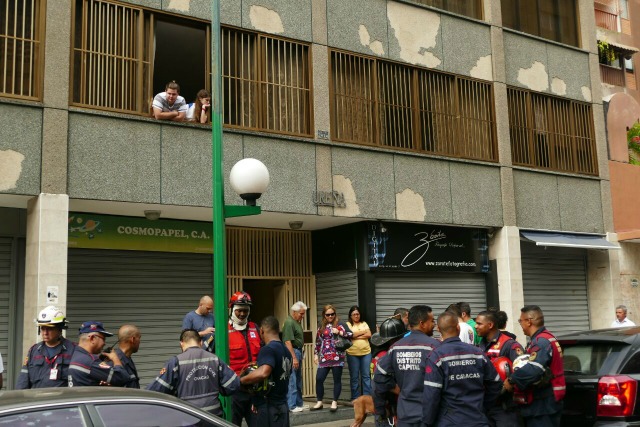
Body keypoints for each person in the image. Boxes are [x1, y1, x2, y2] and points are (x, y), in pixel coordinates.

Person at [422, 311, 502, 426]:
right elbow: (495, 383)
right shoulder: (478, 353)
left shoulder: (436, 357)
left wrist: (426, 423)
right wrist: (482, 406)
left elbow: (431, 395)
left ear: (438, 329)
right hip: (477, 420)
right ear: (458, 327)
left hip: (449, 422)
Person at [147, 328, 239, 416]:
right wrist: (218, 388)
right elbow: (233, 384)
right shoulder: (215, 359)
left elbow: (155, 390)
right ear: (201, 343)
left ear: (181, 343)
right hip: (213, 417)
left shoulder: (176, 362)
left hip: (189, 416)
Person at [374, 305, 439, 427]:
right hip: (430, 414)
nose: (434, 325)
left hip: (405, 414)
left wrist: (397, 390)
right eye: (432, 321)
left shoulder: (395, 348)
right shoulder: (435, 346)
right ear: (422, 323)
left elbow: (379, 377)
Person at [503, 305, 565, 427]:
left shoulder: (541, 341)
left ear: (529, 321)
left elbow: (534, 369)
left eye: (520, 320)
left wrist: (511, 380)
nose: (520, 324)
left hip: (543, 404)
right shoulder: (547, 337)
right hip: (547, 401)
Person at [240, 316, 292, 427]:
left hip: (269, 408)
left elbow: (264, 372)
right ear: (278, 330)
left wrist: (241, 380)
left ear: (262, 330)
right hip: (282, 406)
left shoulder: (268, 349)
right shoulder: (286, 351)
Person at [475, 310, 524, 427]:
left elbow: (523, 368)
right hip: (485, 406)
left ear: (490, 325)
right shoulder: (479, 346)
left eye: (479, 323)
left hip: (504, 407)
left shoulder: (509, 345)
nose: (476, 326)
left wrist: (511, 381)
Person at [16, 306, 75, 389]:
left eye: (49, 328)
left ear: (60, 329)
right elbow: (23, 380)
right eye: (43, 328)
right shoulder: (34, 350)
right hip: (37, 400)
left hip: (59, 400)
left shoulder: (73, 350)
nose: (45, 333)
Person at [227, 291, 262, 426]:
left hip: (255, 390)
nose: (242, 314)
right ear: (232, 310)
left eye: (245, 311)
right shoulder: (223, 330)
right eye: (239, 311)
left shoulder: (255, 328)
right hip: (234, 391)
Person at [312, 304, 353, 412]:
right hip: (324, 356)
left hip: (337, 356)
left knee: (337, 380)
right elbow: (318, 341)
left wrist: (339, 332)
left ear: (335, 314)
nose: (330, 316)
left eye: (332, 314)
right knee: (319, 379)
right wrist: (315, 354)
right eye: (328, 314)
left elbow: (351, 334)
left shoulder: (340, 324)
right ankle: (319, 402)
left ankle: (334, 402)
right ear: (324, 315)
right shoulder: (321, 325)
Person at [369, 317, 407, 427]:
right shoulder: (385, 357)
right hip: (387, 408)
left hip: (381, 406)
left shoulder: (377, 356)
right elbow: (384, 383)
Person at [68, 321, 130, 387]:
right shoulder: (91, 362)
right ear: (92, 338)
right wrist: (115, 358)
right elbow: (122, 378)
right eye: (103, 339)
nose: (104, 343)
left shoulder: (75, 355)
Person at [283, 300, 308, 413]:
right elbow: (287, 341)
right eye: (301, 313)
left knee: (298, 379)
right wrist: (294, 358)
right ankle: (291, 405)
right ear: (294, 312)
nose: (303, 316)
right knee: (292, 379)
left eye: (303, 313)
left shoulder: (296, 322)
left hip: (298, 350)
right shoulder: (289, 322)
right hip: (293, 351)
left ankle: (298, 403)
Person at [346, 305, 372, 401]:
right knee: (354, 377)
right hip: (352, 354)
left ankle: (367, 398)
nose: (356, 316)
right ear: (351, 316)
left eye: (358, 314)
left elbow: (369, 334)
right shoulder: (348, 324)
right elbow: (349, 335)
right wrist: (362, 333)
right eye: (354, 314)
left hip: (366, 353)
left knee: (366, 376)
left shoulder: (364, 323)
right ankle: (355, 399)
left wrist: (355, 336)